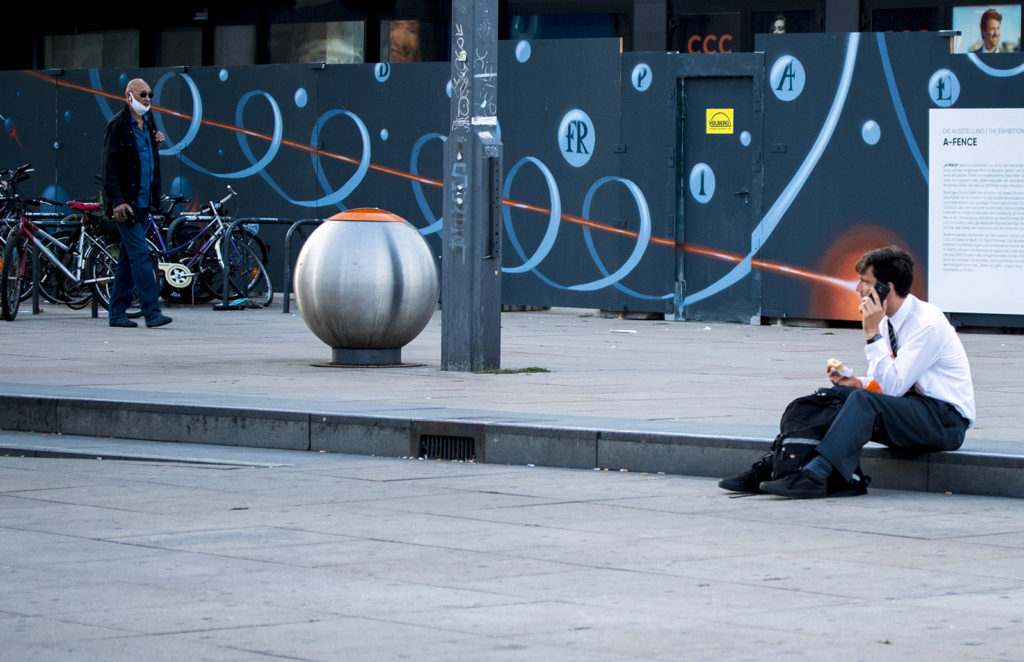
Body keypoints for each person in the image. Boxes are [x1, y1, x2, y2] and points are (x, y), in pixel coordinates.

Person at [721, 246, 975, 498]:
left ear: (887, 287)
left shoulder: (927, 323)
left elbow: (895, 386)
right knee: (833, 396)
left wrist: (872, 335)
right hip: (913, 408)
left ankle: (817, 475)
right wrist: (857, 383)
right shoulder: (887, 321)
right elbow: (885, 382)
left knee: (863, 403)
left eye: (865, 282)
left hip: (945, 421)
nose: (858, 289)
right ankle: (775, 466)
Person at [101, 78, 172, 329]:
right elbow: (109, 169)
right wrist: (117, 202)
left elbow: (145, 159)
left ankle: (116, 312)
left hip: (143, 202)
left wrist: (156, 143)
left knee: (128, 260)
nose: (147, 99)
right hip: (127, 205)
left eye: (150, 94)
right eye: (142, 94)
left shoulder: (148, 123)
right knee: (141, 255)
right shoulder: (118, 125)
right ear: (128, 95)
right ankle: (151, 311)